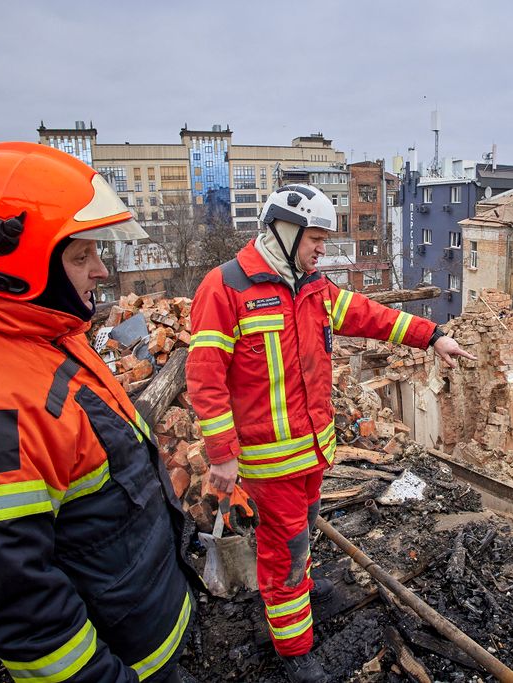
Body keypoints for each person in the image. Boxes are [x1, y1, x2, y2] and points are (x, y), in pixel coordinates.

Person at [0, 142, 198, 683]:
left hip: (145, 624)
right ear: (23, 266)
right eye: (79, 256)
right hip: (120, 662)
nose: (101, 270)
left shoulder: (47, 333)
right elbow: (26, 613)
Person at [187, 183, 475, 682]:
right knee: (286, 550)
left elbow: (369, 316)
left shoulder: (314, 289)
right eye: (314, 238)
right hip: (270, 463)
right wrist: (221, 453)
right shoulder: (225, 288)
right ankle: (294, 649)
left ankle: (300, 592)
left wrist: (432, 336)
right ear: (282, 231)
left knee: (305, 533)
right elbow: (205, 376)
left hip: (315, 453)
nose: (322, 249)